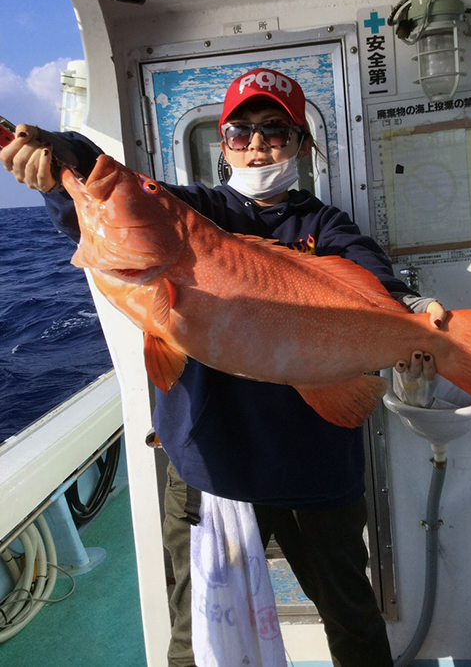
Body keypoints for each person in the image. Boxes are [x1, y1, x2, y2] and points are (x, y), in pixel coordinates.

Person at [1, 67, 446, 667]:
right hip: (209, 465)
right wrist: (56, 157)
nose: (256, 143)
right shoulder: (194, 211)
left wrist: (418, 316)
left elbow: (376, 283)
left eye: (275, 130)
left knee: (352, 618)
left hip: (316, 467)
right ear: (222, 142)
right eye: (239, 130)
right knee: (197, 632)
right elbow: (113, 194)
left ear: (301, 146)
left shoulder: (326, 227)